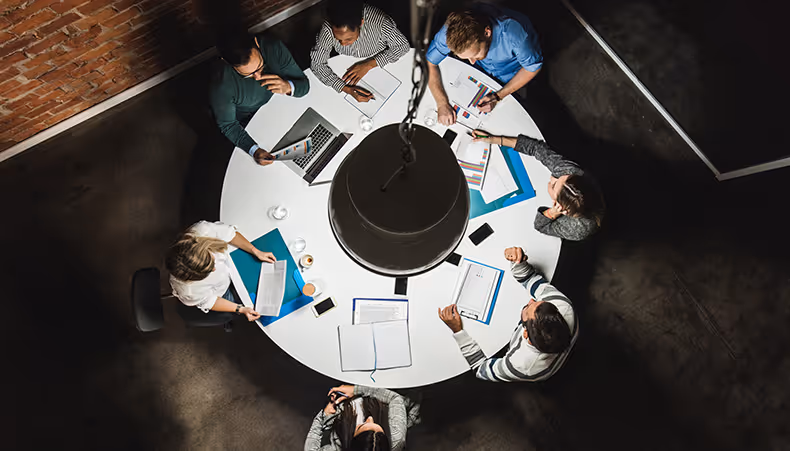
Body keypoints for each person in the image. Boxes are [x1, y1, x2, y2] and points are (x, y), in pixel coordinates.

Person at [438, 246, 577, 382]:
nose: (530, 300)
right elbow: (530, 278)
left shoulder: (521, 366)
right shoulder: (562, 306)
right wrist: (518, 262)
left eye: (528, 308)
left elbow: (480, 368)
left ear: (526, 334)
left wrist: (458, 331)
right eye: (538, 302)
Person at [473, 131, 604, 241]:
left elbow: (541, 226)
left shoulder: (580, 229)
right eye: (561, 179)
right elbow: (536, 148)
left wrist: (553, 212)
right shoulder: (569, 172)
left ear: (561, 207)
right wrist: (495, 139)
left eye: (554, 184)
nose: (552, 178)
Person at [426, 4, 543, 125]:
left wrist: (498, 96)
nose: (472, 62)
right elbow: (429, 63)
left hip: (512, 76)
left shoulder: (514, 33)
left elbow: (532, 68)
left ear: (487, 32)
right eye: (466, 58)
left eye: (475, 54)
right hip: (480, 74)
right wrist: (441, 103)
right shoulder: (451, 30)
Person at [210, 30, 310, 166]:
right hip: (249, 121)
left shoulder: (273, 47)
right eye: (248, 74)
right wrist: (254, 150)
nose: (258, 77)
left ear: (256, 43)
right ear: (226, 62)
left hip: (279, 106)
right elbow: (228, 125)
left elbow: (304, 86)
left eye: (260, 66)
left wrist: (288, 87)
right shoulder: (221, 84)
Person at [166, 220, 276, 322]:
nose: (214, 269)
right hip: (223, 291)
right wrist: (241, 309)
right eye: (208, 272)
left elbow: (229, 234)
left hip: (233, 262)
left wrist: (255, 251)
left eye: (211, 260)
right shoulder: (188, 291)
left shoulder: (203, 231)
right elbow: (210, 301)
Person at [310, 0, 409, 103]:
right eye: (338, 39)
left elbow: (402, 46)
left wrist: (368, 65)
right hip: (343, 60)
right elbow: (317, 64)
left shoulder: (381, 22)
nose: (342, 44)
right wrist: (346, 89)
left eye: (348, 39)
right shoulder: (327, 29)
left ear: (361, 23)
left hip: (381, 57)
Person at [304, 384, 420, 451]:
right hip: (383, 387)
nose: (370, 418)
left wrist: (326, 416)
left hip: (345, 400)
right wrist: (356, 389)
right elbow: (395, 399)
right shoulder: (396, 439)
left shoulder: (339, 447)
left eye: (362, 426)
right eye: (379, 427)